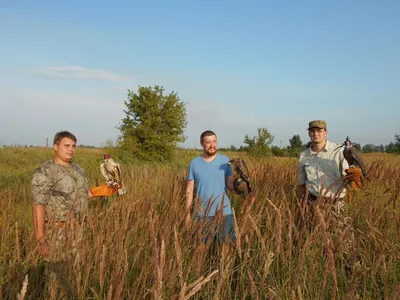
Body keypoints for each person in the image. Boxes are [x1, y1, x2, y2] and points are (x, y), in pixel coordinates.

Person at [296, 120, 362, 270]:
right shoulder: (303, 156)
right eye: (312, 131)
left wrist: (355, 176)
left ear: (326, 132)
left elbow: (350, 177)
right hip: (312, 202)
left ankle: (352, 273)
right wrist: (300, 207)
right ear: (309, 133)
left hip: (335, 202)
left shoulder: (339, 151)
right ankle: (326, 270)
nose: (315, 134)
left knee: (345, 241)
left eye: (319, 131)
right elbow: (300, 184)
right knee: (319, 240)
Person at [31, 131, 94, 260]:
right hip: (57, 234)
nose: (71, 149)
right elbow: (38, 205)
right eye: (67, 145)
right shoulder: (45, 171)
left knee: (77, 274)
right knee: (57, 274)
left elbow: (84, 194)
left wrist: (106, 189)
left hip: (79, 231)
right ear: (55, 147)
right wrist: (41, 240)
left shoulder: (78, 170)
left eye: (73, 146)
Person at [185, 130, 235, 243]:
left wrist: (242, 185)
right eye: (208, 142)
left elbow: (230, 184)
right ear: (201, 143)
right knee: (202, 249)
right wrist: (187, 215)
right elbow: (189, 190)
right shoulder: (194, 163)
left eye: (214, 141)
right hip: (201, 214)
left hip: (224, 213)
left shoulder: (225, 161)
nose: (212, 145)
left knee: (226, 246)